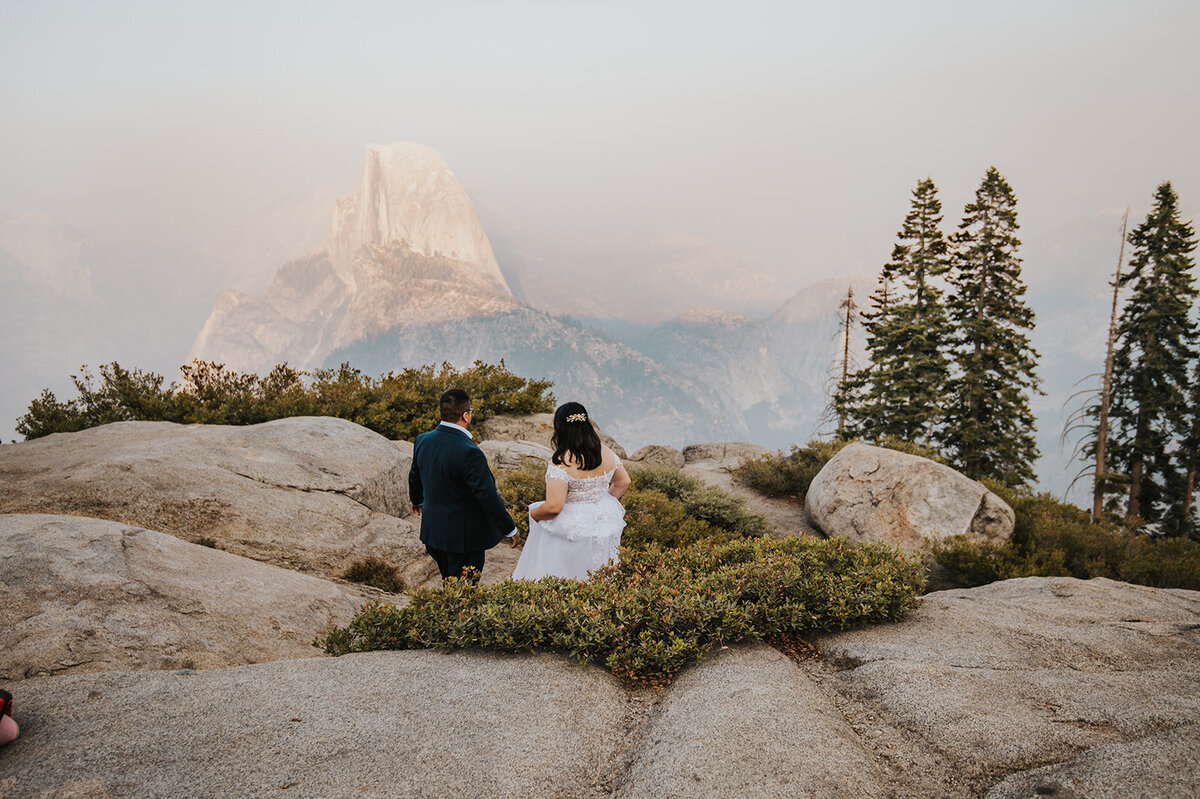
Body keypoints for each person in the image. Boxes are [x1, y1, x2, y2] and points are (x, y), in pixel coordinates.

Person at [409, 388, 519, 583]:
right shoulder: (470, 451)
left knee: (449, 582)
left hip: (434, 534)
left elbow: (415, 476)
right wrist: (509, 528)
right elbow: (487, 495)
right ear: (466, 415)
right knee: (466, 591)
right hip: (464, 540)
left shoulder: (422, 440)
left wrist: (417, 500)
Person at [512, 402, 631, 581]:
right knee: (598, 577)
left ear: (559, 429)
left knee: (563, 575)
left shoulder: (562, 461)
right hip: (603, 522)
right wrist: (601, 502)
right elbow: (624, 481)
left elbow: (554, 507)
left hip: (572, 526)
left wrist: (534, 514)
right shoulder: (604, 450)